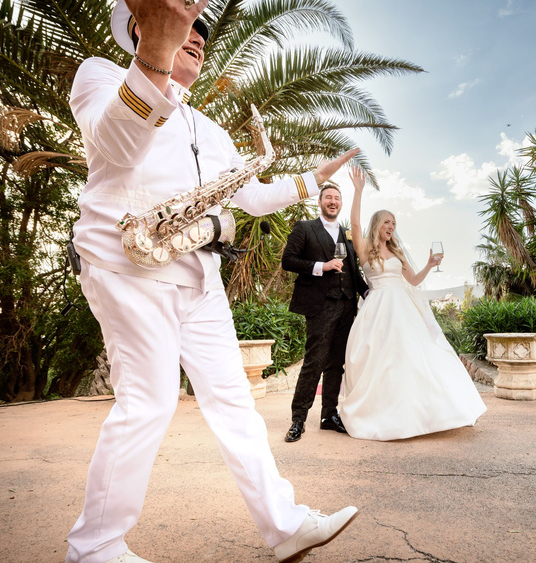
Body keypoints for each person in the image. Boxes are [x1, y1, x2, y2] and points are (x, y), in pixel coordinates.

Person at [65, 1, 359, 561]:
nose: (198, 33)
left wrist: (308, 180)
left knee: (234, 402)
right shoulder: (99, 75)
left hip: (199, 276)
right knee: (148, 401)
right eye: (185, 23)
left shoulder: (211, 129)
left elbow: (251, 197)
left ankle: (285, 526)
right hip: (128, 266)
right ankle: (94, 547)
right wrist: (156, 51)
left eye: (201, 28)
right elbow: (118, 145)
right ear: (140, 26)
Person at [337, 166, 486, 441]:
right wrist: (358, 191)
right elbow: (355, 225)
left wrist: (429, 264)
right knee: (379, 361)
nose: (391, 227)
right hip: (376, 310)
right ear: (377, 224)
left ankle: (420, 413)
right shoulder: (364, 248)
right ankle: (381, 411)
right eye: (387, 222)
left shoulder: (397, 252)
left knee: (410, 358)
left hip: (402, 310)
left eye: (394, 223)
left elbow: (414, 281)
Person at [280, 182, 369, 442]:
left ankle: (329, 415)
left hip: (346, 306)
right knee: (314, 362)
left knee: (336, 364)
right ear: (320, 202)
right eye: (328, 197)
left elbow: (353, 272)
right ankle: (298, 419)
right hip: (320, 305)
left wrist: (371, 294)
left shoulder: (346, 235)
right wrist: (322, 266)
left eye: (337, 198)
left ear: (340, 203)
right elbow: (288, 260)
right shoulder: (305, 228)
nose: (333, 201)